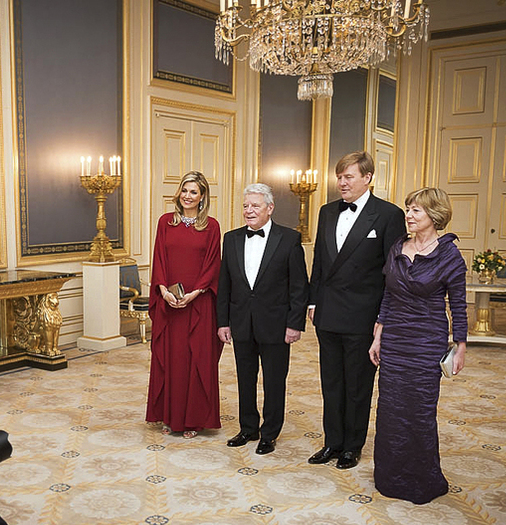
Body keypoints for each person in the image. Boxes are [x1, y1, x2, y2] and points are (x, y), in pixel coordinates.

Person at [307, 151, 406, 470]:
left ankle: (352, 445)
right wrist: (313, 301)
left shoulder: (388, 215)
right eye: (339, 177)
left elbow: (393, 272)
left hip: (364, 315)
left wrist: (384, 319)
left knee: (358, 384)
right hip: (328, 313)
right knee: (331, 382)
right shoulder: (325, 212)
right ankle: (332, 442)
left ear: (368, 178)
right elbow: (320, 263)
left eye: (348, 177)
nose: (341, 183)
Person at [369, 188, 467, 504]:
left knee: (420, 410)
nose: (409, 216)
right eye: (408, 209)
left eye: (416, 211)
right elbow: (388, 294)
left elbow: (459, 306)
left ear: (434, 216)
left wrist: (461, 345)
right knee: (391, 409)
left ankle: (421, 478)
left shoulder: (449, 254)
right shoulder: (398, 246)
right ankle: (390, 476)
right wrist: (379, 334)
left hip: (427, 341)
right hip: (395, 339)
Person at [217, 183, 308, 455]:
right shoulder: (231, 238)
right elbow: (225, 284)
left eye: (255, 205)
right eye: (246, 205)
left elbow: (299, 286)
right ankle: (248, 428)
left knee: (274, 380)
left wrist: (295, 324)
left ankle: (269, 433)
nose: (249, 210)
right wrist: (223, 321)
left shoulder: (289, 238)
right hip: (242, 321)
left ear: (270, 208)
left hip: (277, 324)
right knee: (245, 379)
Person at [146, 171, 222, 439]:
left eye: (193, 192)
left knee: (195, 360)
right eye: (185, 190)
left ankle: (193, 420)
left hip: (198, 305)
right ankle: (170, 417)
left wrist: (195, 293)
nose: (187, 196)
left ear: (202, 197)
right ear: (179, 193)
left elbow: (213, 264)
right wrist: (164, 290)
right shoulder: (165, 222)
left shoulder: (211, 226)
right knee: (172, 360)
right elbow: (159, 258)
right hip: (170, 304)